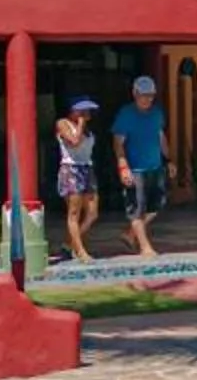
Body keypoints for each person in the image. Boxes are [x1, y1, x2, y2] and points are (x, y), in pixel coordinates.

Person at [112, 73, 167, 257]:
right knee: (136, 209)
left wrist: (169, 159)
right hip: (135, 169)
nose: (147, 99)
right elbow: (118, 143)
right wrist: (123, 167)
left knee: (157, 206)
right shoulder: (126, 114)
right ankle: (145, 247)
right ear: (135, 94)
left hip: (155, 167)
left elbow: (161, 137)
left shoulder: (157, 114)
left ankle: (129, 234)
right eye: (143, 95)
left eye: (150, 95)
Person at [53, 97, 102, 263]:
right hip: (71, 168)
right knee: (74, 212)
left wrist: (83, 126)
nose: (86, 114)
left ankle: (70, 244)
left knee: (92, 212)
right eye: (82, 111)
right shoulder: (63, 123)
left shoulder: (88, 130)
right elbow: (74, 142)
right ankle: (80, 251)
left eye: (88, 111)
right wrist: (80, 124)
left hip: (87, 167)